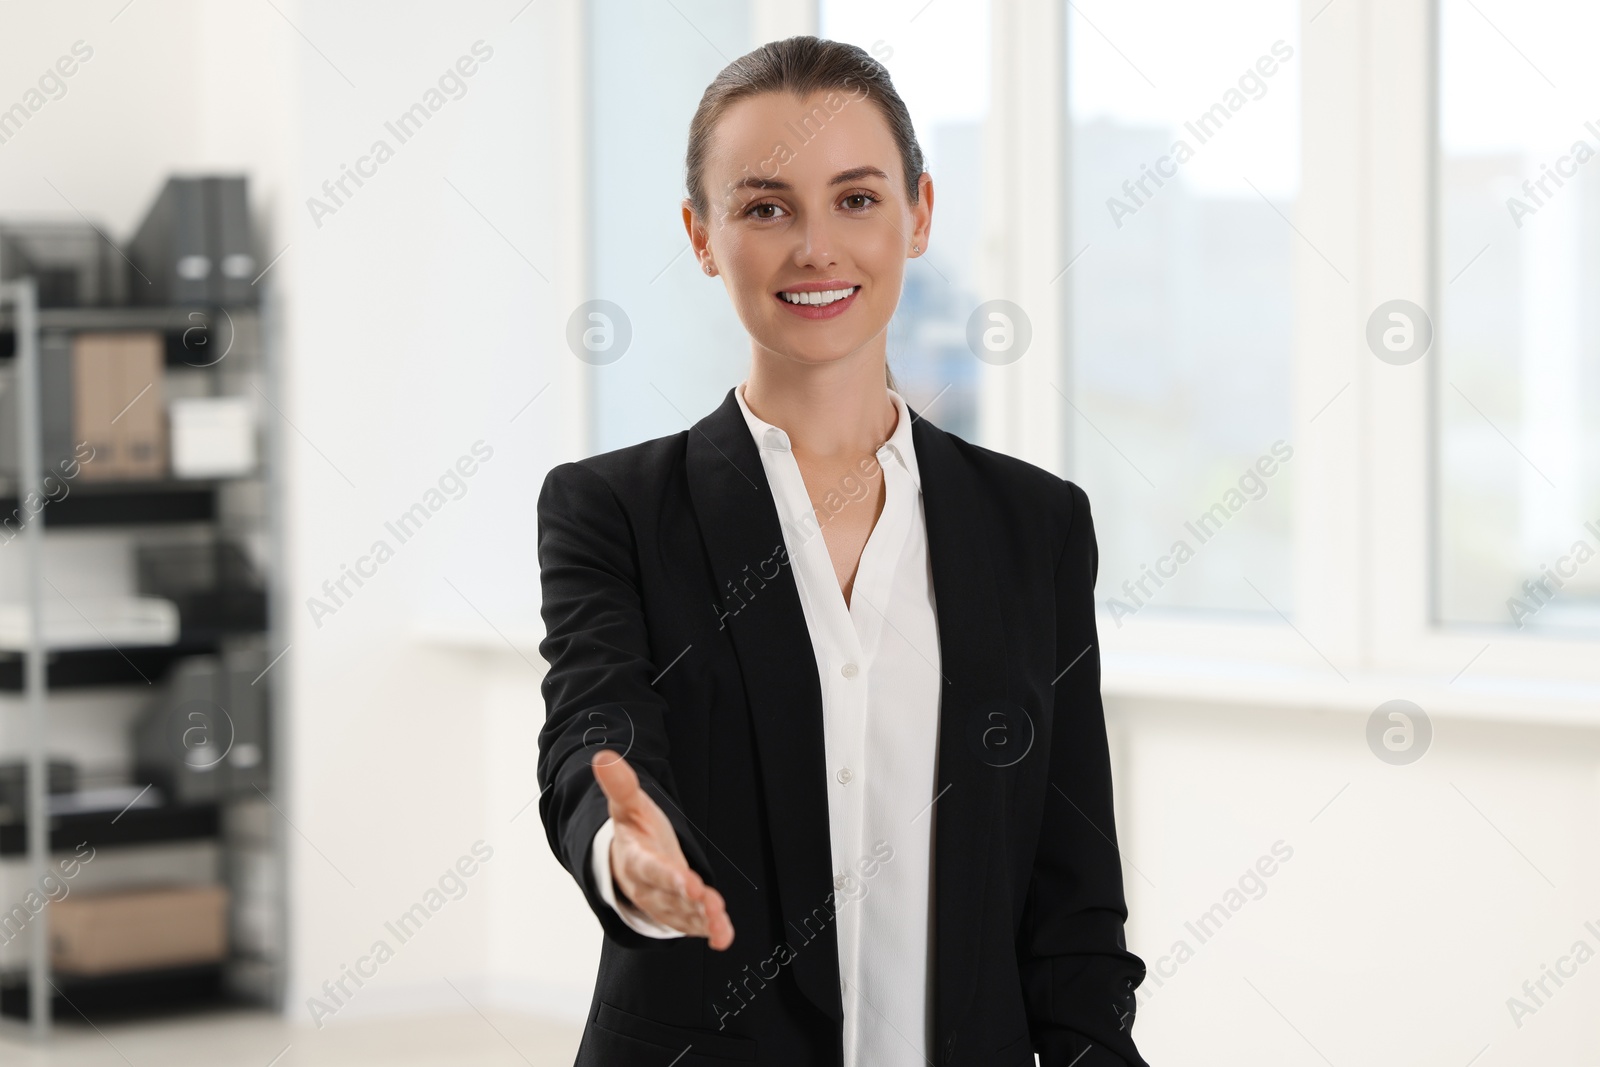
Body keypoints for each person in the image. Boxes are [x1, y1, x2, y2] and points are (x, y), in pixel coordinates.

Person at [536, 34, 1149, 1067]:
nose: (815, 247)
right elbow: (593, 727)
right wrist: (622, 845)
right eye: (765, 206)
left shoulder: (1034, 525)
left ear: (918, 213)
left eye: (856, 199)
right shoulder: (615, 510)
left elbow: (1070, 880)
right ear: (701, 234)